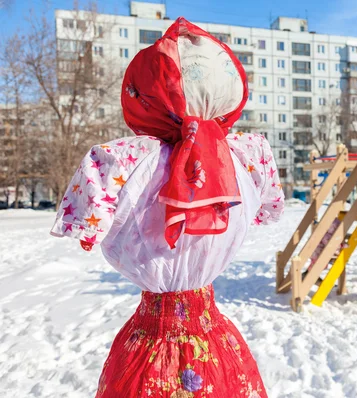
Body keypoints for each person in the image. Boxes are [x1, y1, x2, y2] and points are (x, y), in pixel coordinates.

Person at [50, 18, 283, 398]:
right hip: (217, 346)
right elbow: (265, 210)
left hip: (147, 351)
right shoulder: (246, 158)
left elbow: (84, 225)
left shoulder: (121, 161)